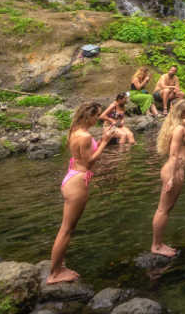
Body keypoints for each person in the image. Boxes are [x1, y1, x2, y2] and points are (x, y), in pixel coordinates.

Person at [46, 102, 108, 284]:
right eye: (96, 116)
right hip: (77, 183)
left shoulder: (74, 130)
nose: (98, 119)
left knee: (67, 228)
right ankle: (55, 274)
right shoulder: (86, 137)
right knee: (66, 230)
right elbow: (89, 163)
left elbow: (77, 158)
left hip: (71, 177)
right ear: (88, 116)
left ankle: (58, 266)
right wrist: (104, 142)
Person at [151, 99, 185, 257]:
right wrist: (171, 178)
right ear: (183, 112)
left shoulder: (178, 123)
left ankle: (159, 243)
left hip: (177, 170)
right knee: (163, 210)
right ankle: (156, 246)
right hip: (173, 171)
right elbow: (173, 155)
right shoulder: (179, 129)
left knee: (167, 209)